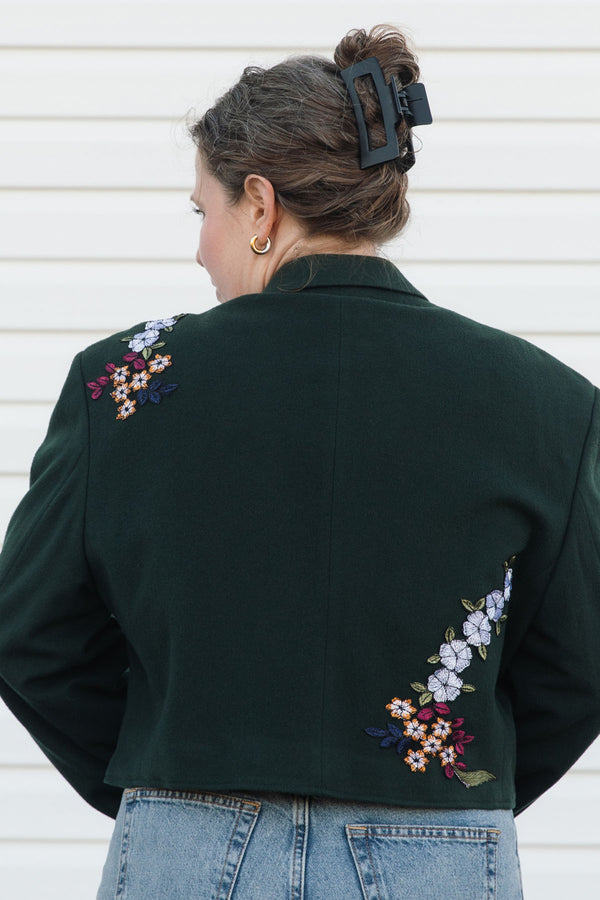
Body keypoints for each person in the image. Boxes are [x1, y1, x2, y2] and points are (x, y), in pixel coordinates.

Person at [0, 23, 599, 900]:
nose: (198, 246)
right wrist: (447, 785)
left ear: (260, 204)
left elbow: (28, 629)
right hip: (436, 849)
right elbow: (579, 659)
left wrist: (160, 765)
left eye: (201, 213)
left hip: (187, 844)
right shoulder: (546, 400)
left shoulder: (123, 383)